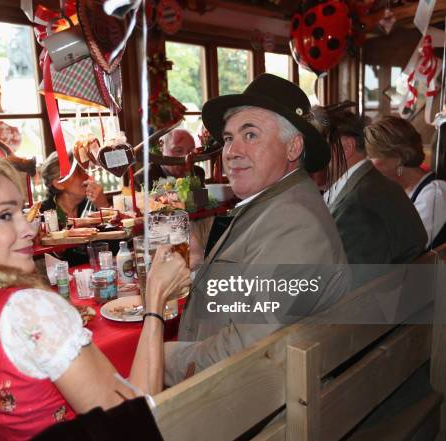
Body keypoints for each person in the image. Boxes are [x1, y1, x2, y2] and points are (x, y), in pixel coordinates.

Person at [0, 160, 190, 440]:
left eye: (21, 212)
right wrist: (155, 299)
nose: (29, 229)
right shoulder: (27, 310)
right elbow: (131, 424)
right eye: (5, 216)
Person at [165, 74, 350, 385]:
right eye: (227, 138)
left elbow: (246, 352)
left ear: (293, 147)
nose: (231, 151)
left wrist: (161, 358)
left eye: (250, 135)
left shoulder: (295, 224)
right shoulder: (275, 203)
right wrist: (199, 266)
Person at [323, 110, 427, 287]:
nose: (314, 156)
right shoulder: (378, 184)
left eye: (321, 145)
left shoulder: (358, 202)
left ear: (347, 147)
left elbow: (350, 287)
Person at [364, 116, 446, 249]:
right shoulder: (396, 191)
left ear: (398, 158)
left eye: (372, 156)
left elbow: (405, 249)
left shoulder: (435, 193)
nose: (368, 164)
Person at [40, 151, 109, 226]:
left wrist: (103, 206)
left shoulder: (92, 204)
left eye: (84, 171)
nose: (87, 176)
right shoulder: (42, 215)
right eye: (79, 172)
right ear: (59, 184)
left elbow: (113, 235)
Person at [134, 128, 206, 191]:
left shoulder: (198, 172)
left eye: (190, 151)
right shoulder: (142, 179)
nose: (186, 157)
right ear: (162, 148)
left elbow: (200, 202)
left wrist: (189, 174)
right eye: (178, 151)